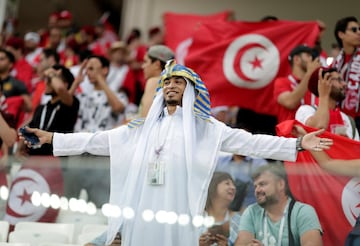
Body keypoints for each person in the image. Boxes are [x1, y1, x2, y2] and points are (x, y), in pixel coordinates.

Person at [20, 60, 332, 246]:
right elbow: (94, 140)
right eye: (167, 82)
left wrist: (296, 145)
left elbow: (249, 142)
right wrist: (51, 137)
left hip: (179, 212)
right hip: (143, 209)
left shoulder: (205, 128)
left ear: (191, 90)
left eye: (178, 83)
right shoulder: (140, 128)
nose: (170, 87)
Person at [235, 163, 323, 246]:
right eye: (255, 186)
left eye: (262, 184)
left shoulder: (303, 211)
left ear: (281, 184)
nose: (257, 190)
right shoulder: (251, 212)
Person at [296, 67, 359, 140]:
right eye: (338, 80)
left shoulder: (347, 119)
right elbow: (317, 128)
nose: (344, 84)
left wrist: (345, 143)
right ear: (323, 83)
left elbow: (356, 149)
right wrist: (324, 95)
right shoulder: (306, 111)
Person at [273, 45, 321, 123]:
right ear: (296, 59)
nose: (312, 60)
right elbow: (290, 102)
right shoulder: (282, 82)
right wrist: (310, 73)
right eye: (308, 56)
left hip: (313, 132)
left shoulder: (317, 85)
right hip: (290, 134)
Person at [331, 16, 360, 132]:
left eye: (359, 29)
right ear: (341, 34)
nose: (358, 33)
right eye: (354, 30)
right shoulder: (336, 61)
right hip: (341, 118)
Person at [199, 172, 238, 246]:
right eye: (227, 183)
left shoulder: (239, 221)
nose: (233, 187)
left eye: (233, 184)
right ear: (213, 186)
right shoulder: (197, 218)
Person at [139, 44, 174, 117]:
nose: (142, 66)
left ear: (157, 64)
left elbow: (144, 119)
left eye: (145, 62)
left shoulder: (154, 81)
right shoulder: (172, 84)